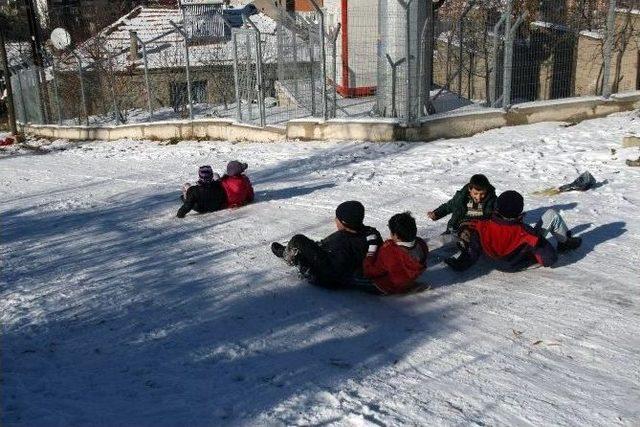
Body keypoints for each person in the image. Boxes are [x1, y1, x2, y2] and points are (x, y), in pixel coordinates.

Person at [445, 190, 582, 272]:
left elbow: (472, 251)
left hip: (490, 261)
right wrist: (536, 250)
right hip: (514, 265)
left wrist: (459, 264)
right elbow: (549, 260)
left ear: (497, 208)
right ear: (520, 210)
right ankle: (565, 243)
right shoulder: (526, 233)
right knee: (551, 214)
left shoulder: (482, 226)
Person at [271, 201, 382, 289]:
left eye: (337, 218)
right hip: (351, 270)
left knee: (298, 240)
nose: (335, 220)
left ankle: (288, 255)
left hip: (329, 278)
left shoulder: (341, 240)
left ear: (343, 223)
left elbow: (329, 268)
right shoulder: (372, 233)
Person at [363, 212, 429, 295]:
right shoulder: (421, 244)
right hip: (407, 279)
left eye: (391, 231)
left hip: (385, 287)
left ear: (396, 236)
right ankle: (407, 286)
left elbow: (371, 272)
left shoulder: (389, 252)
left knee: (355, 278)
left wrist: (369, 255)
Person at [427, 174, 497, 234]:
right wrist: (436, 213)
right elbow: (448, 206)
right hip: (456, 228)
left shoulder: (492, 201)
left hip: (479, 232)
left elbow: (498, 216)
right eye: (475, 193)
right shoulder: (461, 198)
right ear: (470, 189)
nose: (478, 197)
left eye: (482, 194)